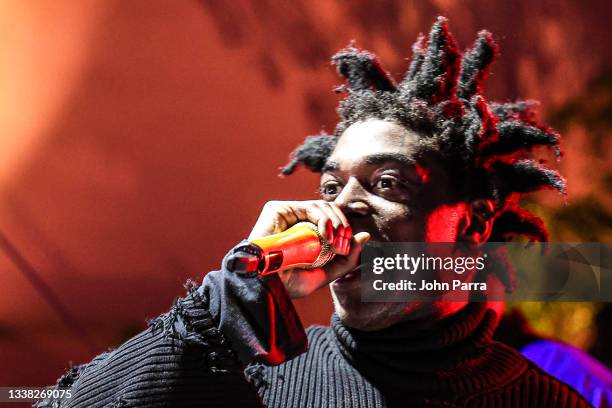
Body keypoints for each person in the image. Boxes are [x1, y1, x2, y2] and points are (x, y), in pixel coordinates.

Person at [36, 17, 591, 407]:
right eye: (331, 186)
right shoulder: (254, 379)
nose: (343, 206)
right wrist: (223, 310)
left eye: (387, 183)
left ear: (471, 223)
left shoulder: (552, 399)